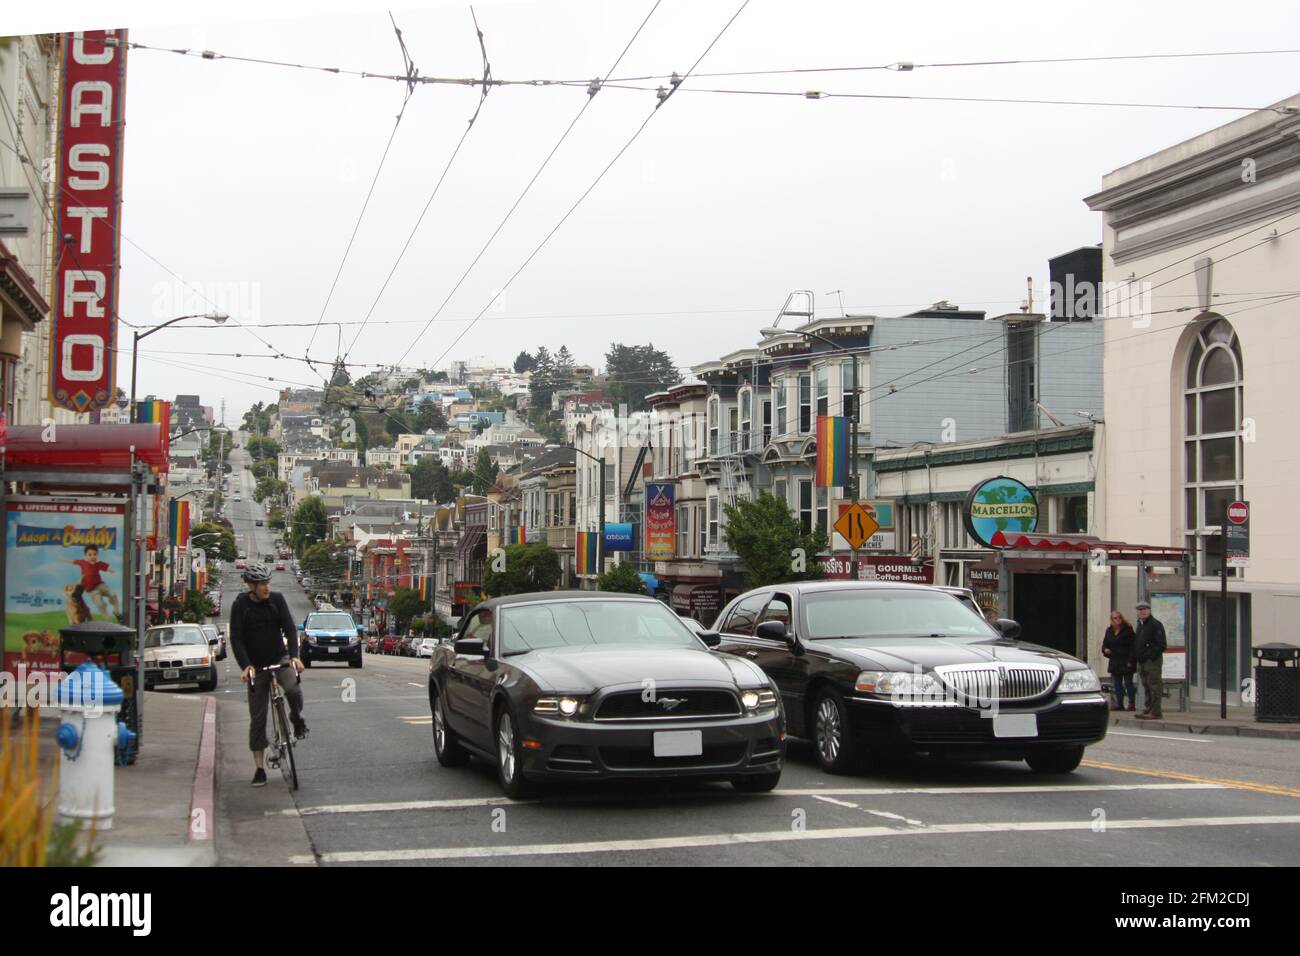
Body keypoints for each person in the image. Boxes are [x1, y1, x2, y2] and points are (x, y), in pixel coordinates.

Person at [229, 562, 308, 787]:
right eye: (262, 584)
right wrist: (245, 666)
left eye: (268, 582)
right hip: (256, 665)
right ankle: (259, 768)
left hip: (279, 658)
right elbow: (236, 639)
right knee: (258, 719)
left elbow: (290, 629)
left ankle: (296, 717)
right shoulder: (240, 606)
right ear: (251, 586)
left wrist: (294, 656)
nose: (267, 587)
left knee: (293, 688)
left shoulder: (277, 600)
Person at [63, 544, 121, 618]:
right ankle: (106, 616)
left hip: (100, 585)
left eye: (94, 554)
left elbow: (106, 566)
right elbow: (73, 562)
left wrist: (110, 570)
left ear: (97, 555)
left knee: (113, 594)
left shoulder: (98, 564)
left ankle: (117, 611)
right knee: (100, 604)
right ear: (86, 556)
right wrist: (63, 559)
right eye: (90, 555)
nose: (92, 557)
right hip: (91, 590)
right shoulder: (83, 563)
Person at [1133, 600, 1167, 720]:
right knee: (1146, 685)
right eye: (1140, 610)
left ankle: (1156, 711)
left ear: (1149, 610)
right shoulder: (1140, 625)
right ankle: (1149, 709)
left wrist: (1149, 655)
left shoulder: (1155, 624)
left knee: (1154, 685)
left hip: (1152, 661)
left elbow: (1161, 645)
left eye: (1145, 609)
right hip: (1142, 661)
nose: (1142, 612)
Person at [1101, 611, 1137, 711]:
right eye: (1115, 618)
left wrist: (1131, 660)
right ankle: (1119, 704)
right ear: (1112, 620)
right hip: (1115, 660)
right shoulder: (1109, 631)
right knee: (1117, 684)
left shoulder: (1128, 630)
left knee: (1128, 683)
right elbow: (1105, 644)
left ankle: (1131, 703)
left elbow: (1133, 647)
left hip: (1126, 660)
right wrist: (1105, 650)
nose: (1118, 620)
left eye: (1119, 617)